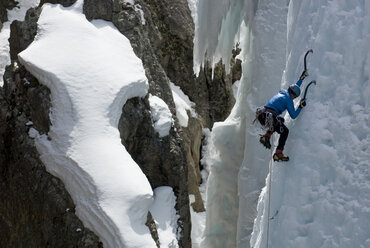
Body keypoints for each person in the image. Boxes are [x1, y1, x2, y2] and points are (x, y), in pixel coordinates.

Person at [256, 71, 307, 161]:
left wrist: (301, 79)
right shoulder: (289, 99)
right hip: (269, 117)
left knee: (280, 121)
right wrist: (300, 106)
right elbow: (293, 115)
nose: (294, 99)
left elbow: (294, 88)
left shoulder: (283, 92)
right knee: (285, 131)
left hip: (262, 114)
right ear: (293, 95)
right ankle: (278, 153)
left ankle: (266, 137)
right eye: (294, 97)